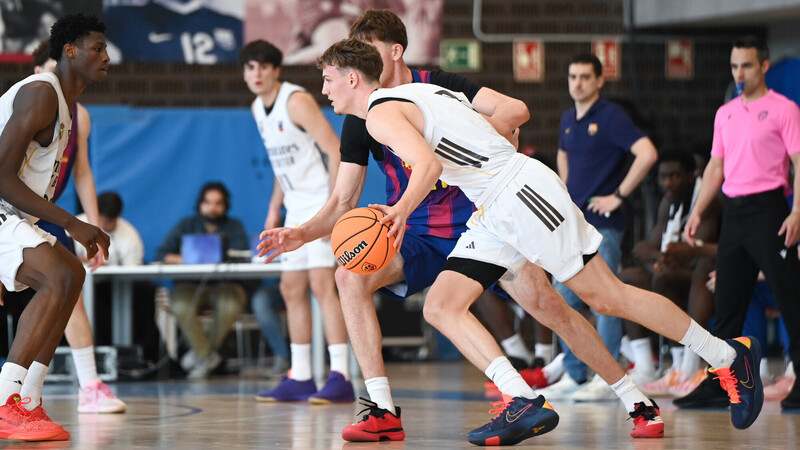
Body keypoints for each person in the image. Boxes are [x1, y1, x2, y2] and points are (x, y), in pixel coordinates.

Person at [305, 38, 764, 445]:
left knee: (607, 297)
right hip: (492, 207)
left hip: (519, 194)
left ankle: (727, 354)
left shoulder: (381, 114)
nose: (324, 90)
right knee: (441, 305)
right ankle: (522, 398)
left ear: (351, 78)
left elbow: (428, 167)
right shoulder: (412, 93)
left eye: (327, 80)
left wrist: (398, 212)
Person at [258, 8, 528, 442]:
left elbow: (515, 108)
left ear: (396, 51)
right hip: (415, 233)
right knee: (349, 277)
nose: (359, 62)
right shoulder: (362, 117)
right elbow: (343, 200)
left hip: (478, 223)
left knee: (550, 302)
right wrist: (301, 233)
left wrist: (481, 142)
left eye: (369, 50)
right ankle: (381, 408)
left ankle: (614, 388)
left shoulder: (439, 86)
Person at [0, 13, 110, 441]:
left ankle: (28, 401)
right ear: (69, 51)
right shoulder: (41, 94)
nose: (106, 57)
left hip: (13, 212)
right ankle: (7, 402)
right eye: (97, 48)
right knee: (60, 273)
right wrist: (72, 222)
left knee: (71, 274)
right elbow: (3, 175)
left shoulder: (69, 107)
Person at [682, 36, 800, 413]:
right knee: (728, 302)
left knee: (791, 298)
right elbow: (716, 167)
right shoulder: (725, 112)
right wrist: (697, 211)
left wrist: (797, 211)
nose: (739, 73)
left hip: (771, 211)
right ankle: (722, 384)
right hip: (734, 213)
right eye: (734, 66)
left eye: (746, 66)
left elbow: (799, 163)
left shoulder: (784, 109)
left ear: (764, 66)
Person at [238, 40, 353, 403]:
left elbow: (336, 150)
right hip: (294, 207)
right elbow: (281, 167)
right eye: (249, 67)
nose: (255, 74)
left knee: (323, 286)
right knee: (290, 288)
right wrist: (275, 208)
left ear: (276, 70)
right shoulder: (258, 108)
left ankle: (341, 376)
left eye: (262, 67)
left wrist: (335, 210)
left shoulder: (296, 101)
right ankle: (301, 375)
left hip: (320, 201)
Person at [541, 53, 659, 402]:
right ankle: (577, 375)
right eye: (572, 76)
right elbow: (563, 153)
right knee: (562, 297)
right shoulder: (567, 118)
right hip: (572, 224)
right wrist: (564, 192)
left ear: (598, 81)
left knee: (604, 300)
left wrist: (618, 196)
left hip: (604, 225)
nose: (577, 83)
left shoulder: (610, 116)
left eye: (584, 77)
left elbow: (647, 152)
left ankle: (609, 379)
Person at [617, 149, 720, 398]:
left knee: (666, 277)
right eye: (663, 177)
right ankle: (647, 365)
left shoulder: (707, 201)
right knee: (625, 279)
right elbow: (645, 246)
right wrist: (658, 259)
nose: (668, 183)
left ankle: (688, 364)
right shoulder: (668, 201)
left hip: (706, 275)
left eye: (674, 176)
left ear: (691, 175)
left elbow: (695, 250)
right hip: (675, 271)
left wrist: (663, 260)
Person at [155, 182, 249, 379]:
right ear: (200, 204)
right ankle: (208, 356)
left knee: (231, 304)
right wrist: (186, 258)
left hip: (225, 284)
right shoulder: (186, 225)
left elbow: (243, 254)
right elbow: (162, 253)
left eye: (218, 203)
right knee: (179, 305)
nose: (212, 208)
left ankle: (199, 355)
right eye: (207, 202)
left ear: (225, 206)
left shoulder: (234, 226)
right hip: (190, 284)